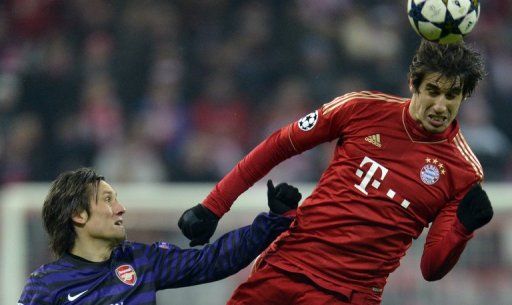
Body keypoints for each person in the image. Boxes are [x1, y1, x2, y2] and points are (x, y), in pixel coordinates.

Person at [178, 40, 494, 305]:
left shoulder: (463, 171)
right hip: (287, 266)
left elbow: (431, 268)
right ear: (414, 84)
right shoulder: (359, 109)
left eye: (451, 95)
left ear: (463, 97)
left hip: (349, 296)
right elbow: (279, 146)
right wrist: (213, 205)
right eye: (433, 90)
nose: (440, 105)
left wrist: (462, 229)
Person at [18, 167, 301, 305]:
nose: (121, 208)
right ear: (78, 215)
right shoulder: (45, 286)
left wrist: (271, 222)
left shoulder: (141, 260)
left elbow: (212, 261)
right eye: (107, 200)